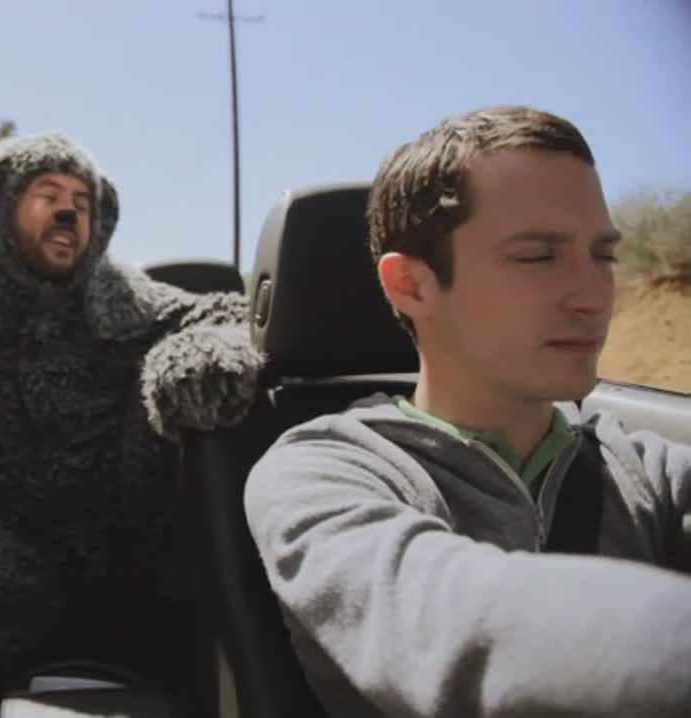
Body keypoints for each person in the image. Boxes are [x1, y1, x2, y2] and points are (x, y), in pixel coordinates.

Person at [244, 105, 691, 718]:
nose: (593, 296)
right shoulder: (320, 474)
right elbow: (444, 625)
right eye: (538, 256)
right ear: (412, 285)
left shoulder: (645, 469)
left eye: (604, 256)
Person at [0, 131, 263, 713]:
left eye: (82, 202)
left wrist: (194, 357)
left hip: (130, 561)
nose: (68, 212)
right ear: (1, 205)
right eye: (48, 194)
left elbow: (225, 314)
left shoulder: (124, 298)